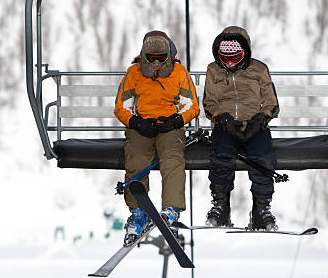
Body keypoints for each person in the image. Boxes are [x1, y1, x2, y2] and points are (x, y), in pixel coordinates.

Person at [114, 30, 199, 246]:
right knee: (136, 159)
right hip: (142, 126)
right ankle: (137, 212)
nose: (157, 64)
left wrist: (177, 120)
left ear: (168, 56)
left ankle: (171, 208)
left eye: (161, 58)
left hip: (170, 126)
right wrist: (135, 122)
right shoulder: (133, 73)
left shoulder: (179, 73)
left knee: (172, 159)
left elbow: (192, 105)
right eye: (151, 59)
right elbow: (121, 106)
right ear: (143, 57)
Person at [202, 25, 280, 230]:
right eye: (224, 59)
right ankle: (221, 205)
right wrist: (222, 118)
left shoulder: (259, 69)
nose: (229, 63)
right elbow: (209, 101)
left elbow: (271, 102)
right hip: (226, 125)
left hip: (255, 124)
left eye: (235, 58)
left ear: (244, 53)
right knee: (222, 154)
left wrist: (261, 118)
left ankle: (261, 209)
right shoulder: (213, 70)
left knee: (263, 157)